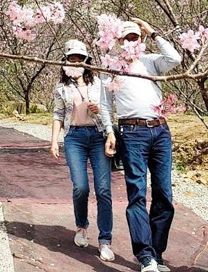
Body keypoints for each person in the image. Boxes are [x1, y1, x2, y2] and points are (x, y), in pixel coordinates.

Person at [112, 18, 182, 272]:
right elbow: (103, 100)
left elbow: (175, 59)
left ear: (140, 40)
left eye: (135, 38)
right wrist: (110, 133)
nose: (131, 42)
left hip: (160, 130)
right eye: (126, 38)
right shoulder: (112, 66)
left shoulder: (151, 61)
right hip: (131, 132)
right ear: (119, 42)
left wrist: (152, 32)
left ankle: (157, 252)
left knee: (164, 193)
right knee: (137, 193)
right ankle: (145, 256)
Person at [50, 38, 117, 262]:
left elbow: (106, 110)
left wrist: (109, 131)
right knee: (80, 187)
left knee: (103, 189)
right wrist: (54, 141)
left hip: (98, 136)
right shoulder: (61, 88)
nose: (76, 63)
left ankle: (105, 240)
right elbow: (58, 115)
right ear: (65, 63)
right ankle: (81, 227)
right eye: (72, 59)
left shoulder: (98, 83)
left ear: (86, 62)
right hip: (74, 138)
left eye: (80, 60)